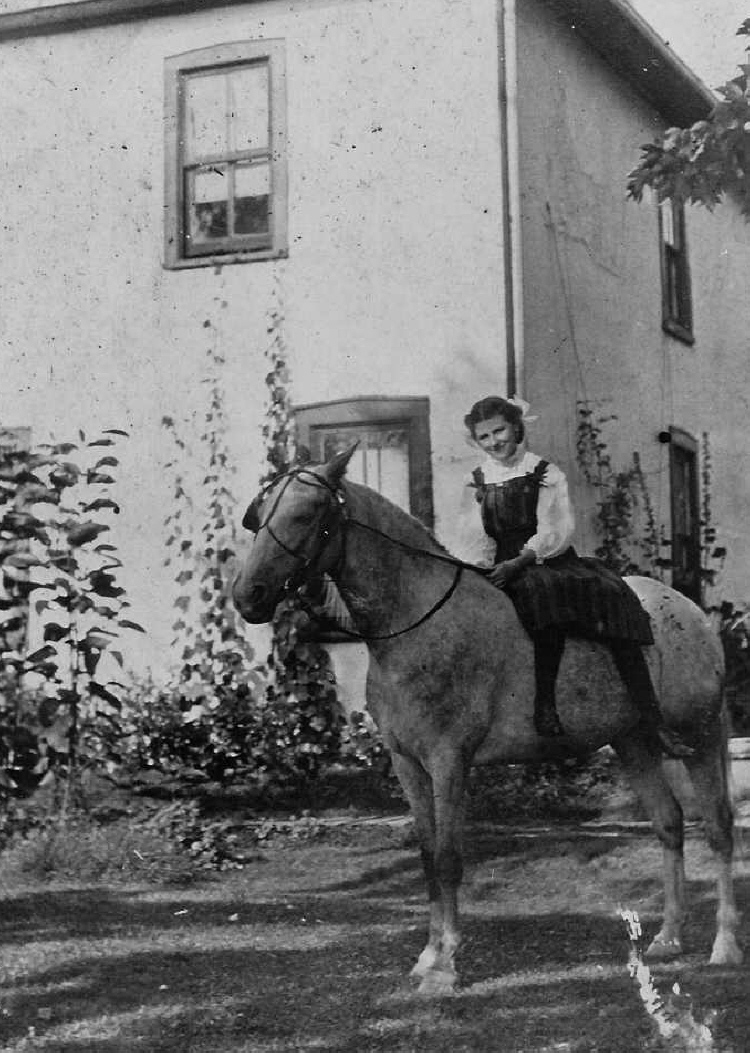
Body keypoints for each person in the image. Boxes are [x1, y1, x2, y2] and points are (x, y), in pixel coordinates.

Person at [455, 394, 693, 758]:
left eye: (499, 431)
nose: (494, 442)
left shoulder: (544, 473)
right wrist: (483, 568)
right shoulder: (476, 481)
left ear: (515, 427)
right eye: (484, 437)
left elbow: (555, 528)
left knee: (603, 596)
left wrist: (520, 562)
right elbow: (475, 534)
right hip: (499, 564)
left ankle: (645, 719)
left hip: (544, 560)